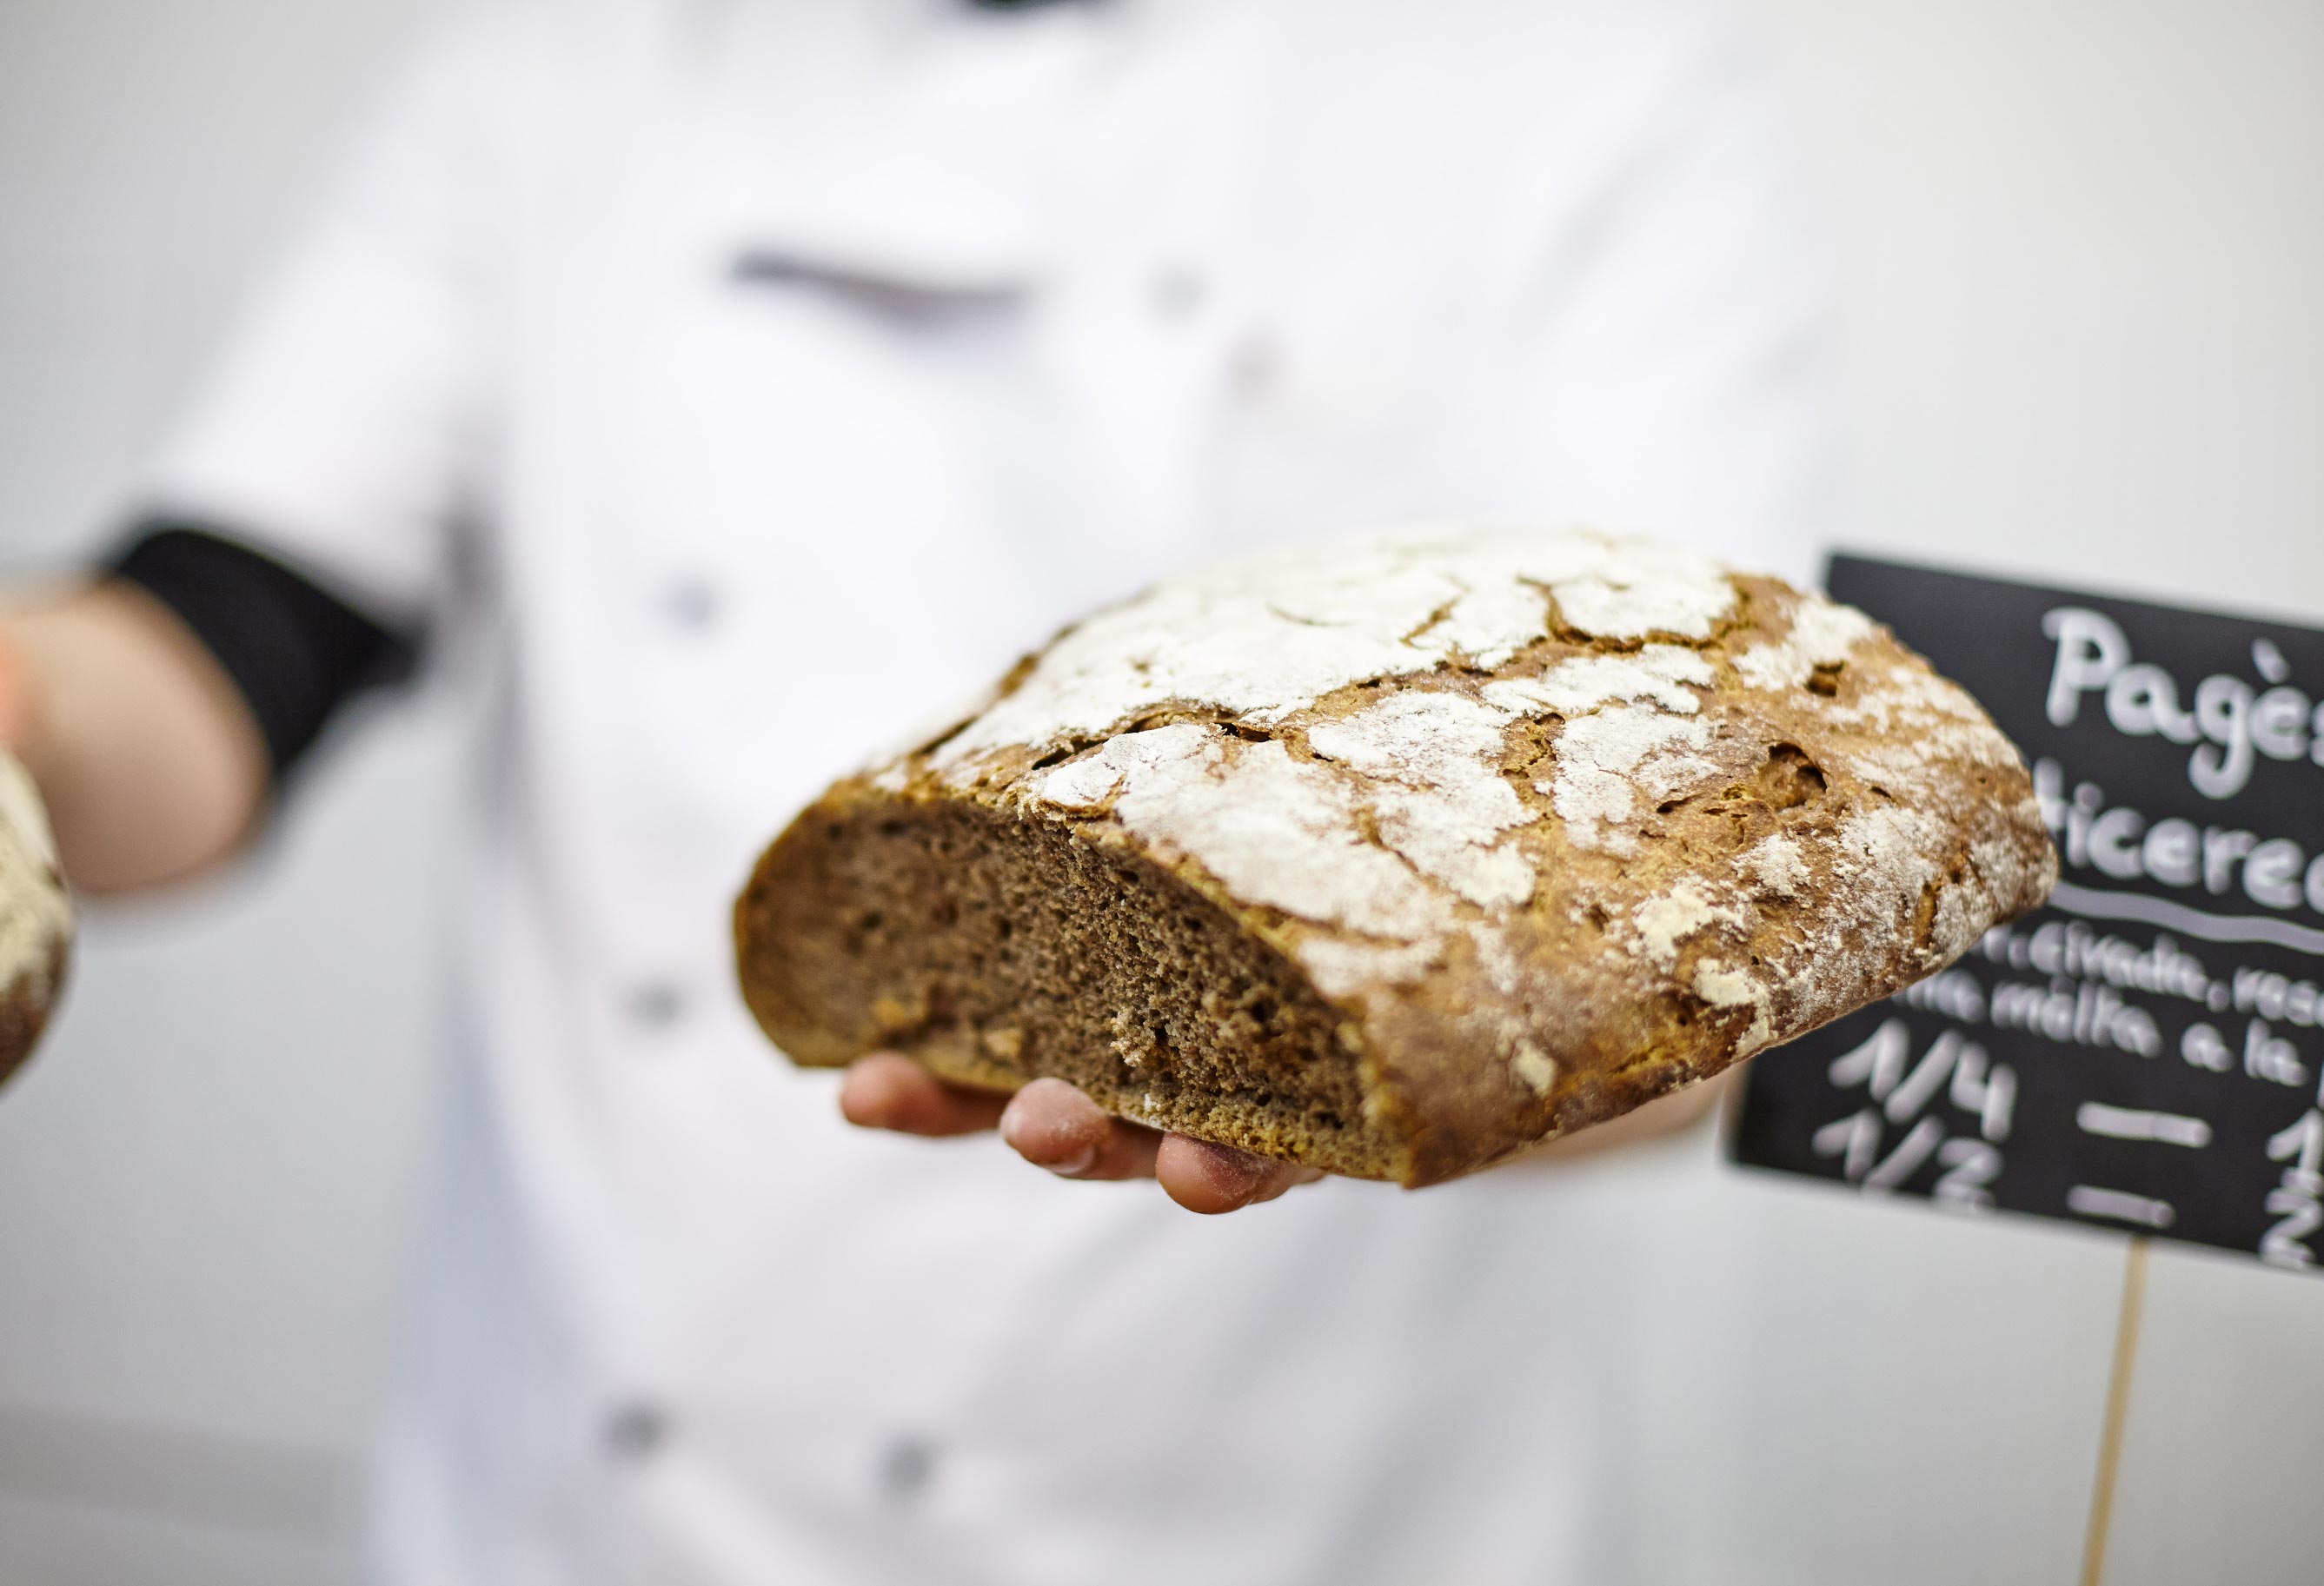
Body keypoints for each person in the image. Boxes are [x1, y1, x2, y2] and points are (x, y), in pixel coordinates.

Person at [1, 0, 1823, 1578]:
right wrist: (30, 711)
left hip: (1270, 1520)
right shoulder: (566, 57)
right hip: (571, 1516)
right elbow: (232, 639)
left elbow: (1690, 929)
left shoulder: (1575, 77)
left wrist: (1350, 1057)